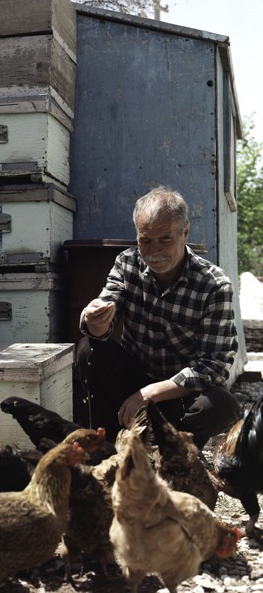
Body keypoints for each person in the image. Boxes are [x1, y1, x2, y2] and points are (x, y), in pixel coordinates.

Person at [74, 186, 239, 448]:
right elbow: (105, 311)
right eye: (145, 241)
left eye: (165, 240)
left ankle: (174, 453)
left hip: (178, 392)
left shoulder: (214, 285)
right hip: (131, 385)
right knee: (88, 349)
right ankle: (104, 445)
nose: (154, 251)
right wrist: (95, 321)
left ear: (185, 232)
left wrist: (151, 393)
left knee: (221, 406)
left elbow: (213, 366)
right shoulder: (127, 263)